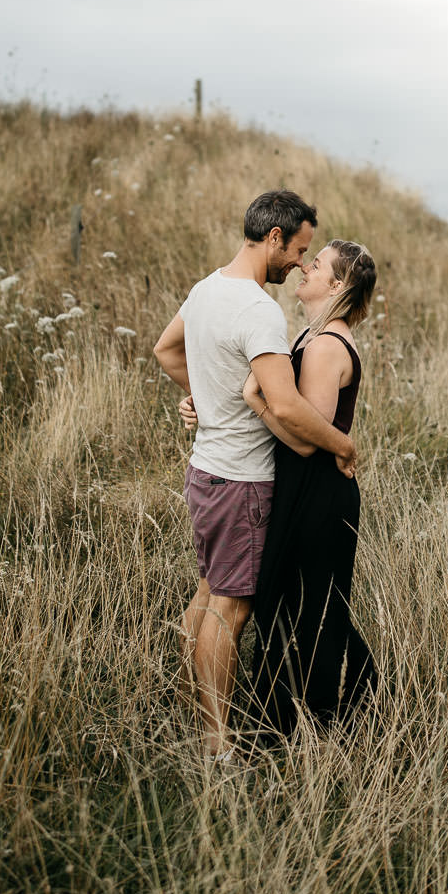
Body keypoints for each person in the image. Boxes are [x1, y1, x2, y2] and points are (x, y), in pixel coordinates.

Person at [152, 190, 358, 761]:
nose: (298, 263)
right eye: (298, 250)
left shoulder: (207, 288)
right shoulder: (260, 311)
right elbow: (289, 408)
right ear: (274, 239)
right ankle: (217, 746)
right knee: (231, 608)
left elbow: (166, 350)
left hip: (204, 471)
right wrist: (344, 445)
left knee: (207, 595)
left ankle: (196, 717)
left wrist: (205, 399)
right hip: (242, 481)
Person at [241, 238, 378, 734]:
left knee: (306, 605)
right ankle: (307, 713)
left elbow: (305, 440)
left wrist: (256, 400)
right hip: (309, 489)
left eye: (315, 264)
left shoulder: (323, 346)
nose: (305, 266)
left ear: (337, 284)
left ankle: (315, 720)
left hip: (317, 494)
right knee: (302, 600)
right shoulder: (314, 335)